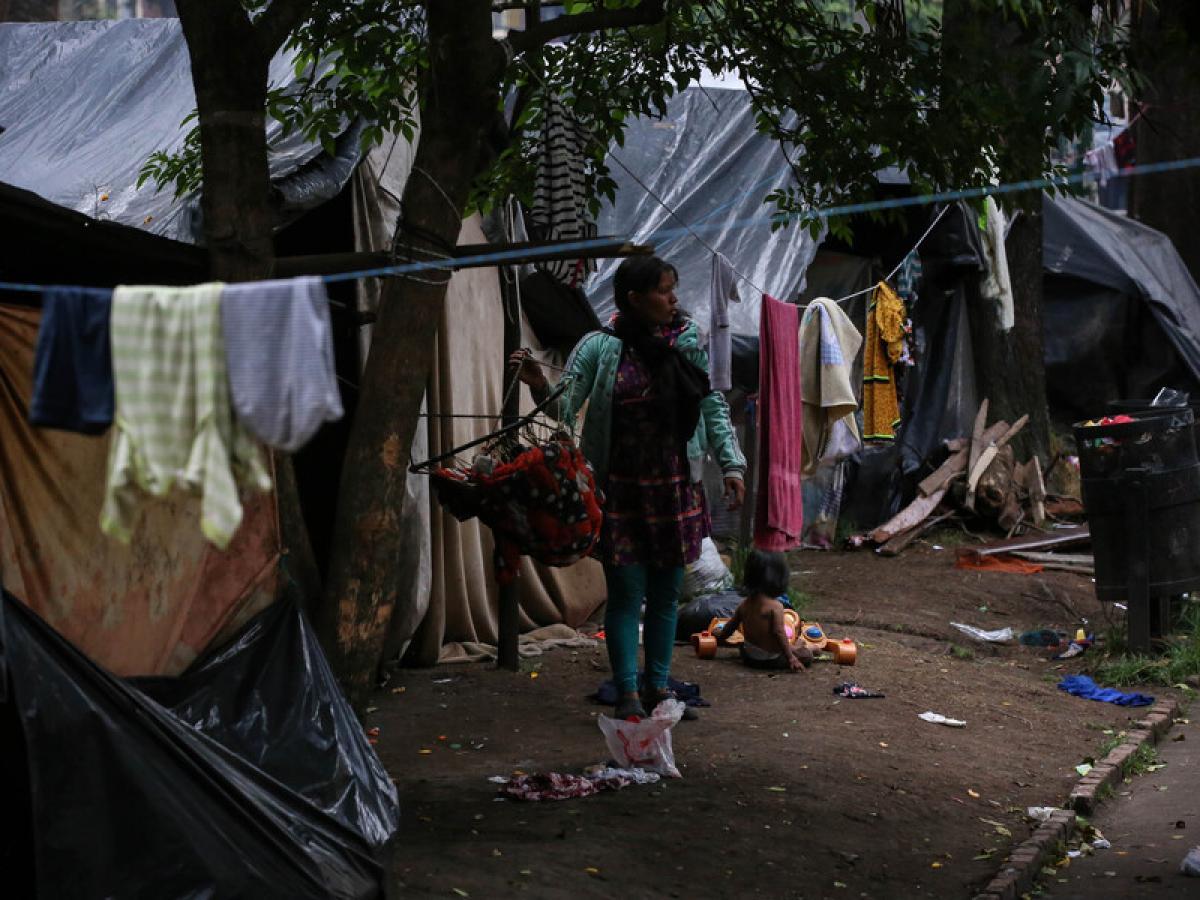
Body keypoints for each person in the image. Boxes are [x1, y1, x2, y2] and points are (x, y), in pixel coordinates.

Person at [511, 255, 746, 720]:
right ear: (635, 299)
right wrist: (540, 384)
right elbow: (566, 408)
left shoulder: (686, 342)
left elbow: (711, 404)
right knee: (625, 595)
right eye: (663, 290)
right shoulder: (599, 348)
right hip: (620, 492)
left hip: (676, 489)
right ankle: (628, 692)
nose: (673, 299)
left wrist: (732, 464)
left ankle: (657, 687)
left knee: (665, 596)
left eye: (673, 288)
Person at [715, 549, 811, 672]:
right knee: (806, 653)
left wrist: (717, 634)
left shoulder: (744, 605)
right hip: (772, 659)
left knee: (792, 646)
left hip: (749, 657)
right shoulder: (775, 606)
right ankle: (810, 648)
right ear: (779, 577)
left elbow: (727, 631)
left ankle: (798, 648)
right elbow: (779, 633)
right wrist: (791, 658)